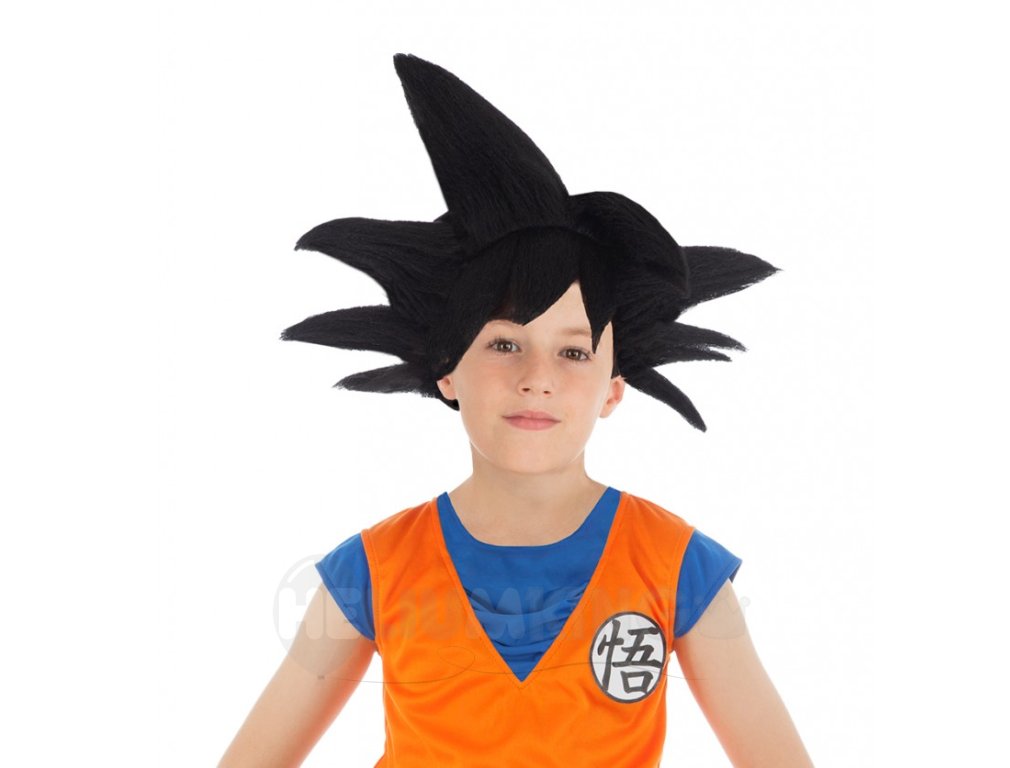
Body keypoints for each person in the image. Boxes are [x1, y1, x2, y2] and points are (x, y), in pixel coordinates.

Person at [219, 53, 813, 767]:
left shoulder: (676, 564)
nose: (537, 379)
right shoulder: (373, 569)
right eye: (505, 343)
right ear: (447, 370)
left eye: (574, 352)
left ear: (613, 388)